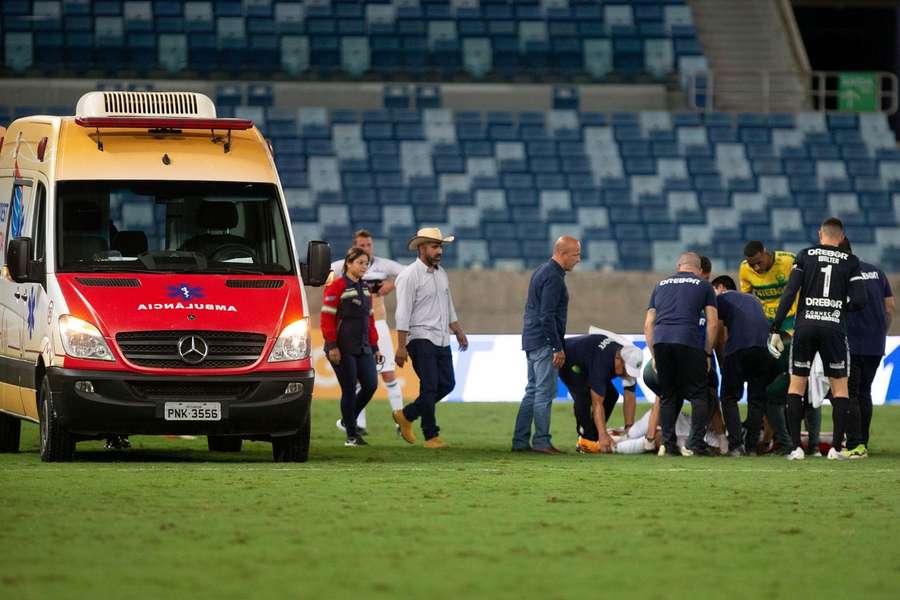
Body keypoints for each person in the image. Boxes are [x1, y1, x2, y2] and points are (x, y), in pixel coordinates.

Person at [770, 218, 866, 460]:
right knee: (840, 387)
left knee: (797, 384)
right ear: (842, 238)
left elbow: (790, 292)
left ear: (819, 233)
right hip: (833, 328)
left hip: (805, 326)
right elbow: (860, 300)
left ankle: (795, 449)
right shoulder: (851, 261)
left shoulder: (804, 255)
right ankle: (836, 448)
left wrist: (775, 328)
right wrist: (837, 307)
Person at [740, 240, 822, 453]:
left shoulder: (788, 261)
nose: (756, 268)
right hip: (767, 329)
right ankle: (777, 438)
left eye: (758, 263)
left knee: (802, 388)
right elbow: (747, 301)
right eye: (752, 265)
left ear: (765, 253)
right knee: (773, 387)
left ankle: (800, 443)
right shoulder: (744, 269)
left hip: (792, 324)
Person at [392, 227, 468, 449]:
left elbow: (448, 306)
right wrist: (401, 346)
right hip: (420, 337)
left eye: (440, 247)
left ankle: (406, 415)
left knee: (448, 384)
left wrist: (458, 330)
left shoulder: (441, 273)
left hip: (442, 338)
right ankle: (430, 435)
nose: (440, 251)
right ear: (422, 248)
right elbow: (402, 313)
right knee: (430, 387)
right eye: (435, 247)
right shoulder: (408, 276)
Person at [329, 229, 407, 435]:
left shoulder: (384, 265)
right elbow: (321, 275)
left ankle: (400, 420)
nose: (366, 249)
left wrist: (391, 284)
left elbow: (408, 274)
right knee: (355, 379)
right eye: (361, 246)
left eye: (368, 245)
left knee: (388, 373)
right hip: (353, 329)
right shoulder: (340, 267)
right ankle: (358, 424)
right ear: (354, 248)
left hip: (378, 325)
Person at [644, 252, 719, 456]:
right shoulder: (704, 286)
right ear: (699, 269)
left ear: (679, 266)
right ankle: (695, 444)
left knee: (668, 395)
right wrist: (707, 353)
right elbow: (712, 322)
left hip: (661, 341)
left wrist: (654, 354)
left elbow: (648, 323)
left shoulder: (659, 285)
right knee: (699, 394)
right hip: (688, 340)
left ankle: (668, 445)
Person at [512, 236, 581, 454]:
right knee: (544, 393)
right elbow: (547, 315)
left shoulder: (542, 271)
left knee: (532, 392)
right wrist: (556, 347)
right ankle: (541, 441)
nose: (578, 259)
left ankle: (520, 441)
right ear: (562, 253)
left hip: (532, 339)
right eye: (575, 254)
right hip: (544, 342)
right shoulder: (553, 277)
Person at [711, 275, 791, 456]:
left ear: (721, 287)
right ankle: (752, 447)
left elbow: (718, 330)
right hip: (763, 350)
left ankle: (736, 445)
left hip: (738, 348)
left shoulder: (722, 298)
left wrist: (722, 361)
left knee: (729, 397)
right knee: (756, 400)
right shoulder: (753, 300)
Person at [835, 238, 894, 454]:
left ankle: (854, 444)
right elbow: (890, 307)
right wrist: (880, 333)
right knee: (864, 392)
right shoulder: (877, 272)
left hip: (851, 342)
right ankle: (863, 442)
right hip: (876, 343)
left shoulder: (841, 274)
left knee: (848, 392)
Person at [321, 247, 381, 447]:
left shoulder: (365, 289)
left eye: (366, 264)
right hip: (342, 348)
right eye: (360, 263)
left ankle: (347, 421)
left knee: (371, 385)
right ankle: (352, 436)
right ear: (348, 263)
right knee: (348, 389)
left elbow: (370, 321)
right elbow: (326, 318)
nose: (364, 267)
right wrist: (331, 345)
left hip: (363, 346)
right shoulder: (336, 286)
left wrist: (375, 347)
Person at [556, 333, 643, 454]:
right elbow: (597, 403)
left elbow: (630, 395)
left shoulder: (629, 357)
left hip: (589, 359)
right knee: (584, 395)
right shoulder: (603, 363)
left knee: (612, 395)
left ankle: (594, 435)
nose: (626, 374)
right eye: (625, 370)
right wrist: (603, 435)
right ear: (618, 358)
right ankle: (585, 439)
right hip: (569, 358)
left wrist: (629, 429)